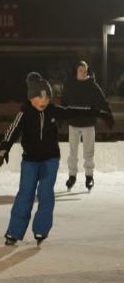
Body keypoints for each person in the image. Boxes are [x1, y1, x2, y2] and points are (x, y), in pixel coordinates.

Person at [0, 72, 113, 246]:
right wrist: (3, 149)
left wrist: (97, 112)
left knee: (46, 194)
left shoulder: (52, 110)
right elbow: (12, 131)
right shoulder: (25, 112)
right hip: (30, 161)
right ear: (31, 98)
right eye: (39, 97)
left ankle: (41, 229)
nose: (43, 101)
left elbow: (72, 111)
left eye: (46, 97)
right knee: (25, 194)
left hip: (50, 160)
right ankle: (14, 232)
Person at [61, 61, 111, 192]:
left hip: (88, 123)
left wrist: (108, 115)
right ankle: (72, 176)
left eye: (84, 70)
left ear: (87, 71)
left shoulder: (92, 85)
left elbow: (102, 100)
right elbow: (64, 101)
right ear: (77, 71)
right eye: (80, 70)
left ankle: (89, 176)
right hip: (74, 123)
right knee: (73, 152)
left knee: (89, 152)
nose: (82, 72)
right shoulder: (71, 85)